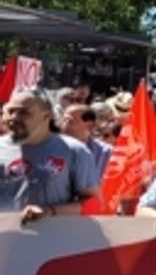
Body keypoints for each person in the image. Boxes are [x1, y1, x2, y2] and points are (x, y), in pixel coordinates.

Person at [0, 88, 99, 223]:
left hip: (53, 240)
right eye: (10, 111)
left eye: (24, 113)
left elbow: (93, 203)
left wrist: (51, 211)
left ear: (46, 116)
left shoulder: (74, 151)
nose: (13, 118)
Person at [61, 104, 111, 183]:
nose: (64, 125)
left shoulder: (106, 153)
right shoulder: (51, 148)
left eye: (70, 121)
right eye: (63, 120)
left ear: (89, 126)